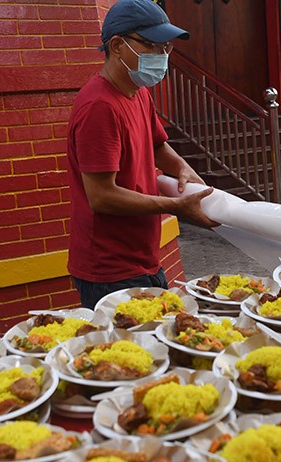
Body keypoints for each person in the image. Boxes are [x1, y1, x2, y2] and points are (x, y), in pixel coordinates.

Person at [66, 0, 218, 309]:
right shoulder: (100, 106)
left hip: (144, 258)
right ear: (119, 46)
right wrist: (176, 206)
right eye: (152, 46)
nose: (162, 57)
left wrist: (182, 168)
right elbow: (102, 195)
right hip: (109, 270)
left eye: (166, 48)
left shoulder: (138, 93)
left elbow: (157, 146)